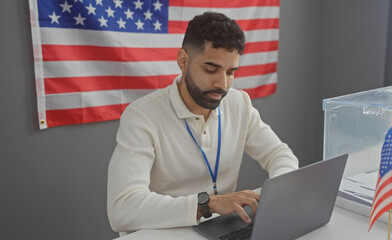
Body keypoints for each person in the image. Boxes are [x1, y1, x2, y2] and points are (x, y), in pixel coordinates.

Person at [107, 11, 298, 235]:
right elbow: (122, 209)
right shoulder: (142, 116)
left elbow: (280, 154)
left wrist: (275, 195)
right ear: (183, 61)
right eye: (211, 69)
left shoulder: (239, 103)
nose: (223, 84)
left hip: (222, 231)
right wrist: (209, 204)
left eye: (231, 72)